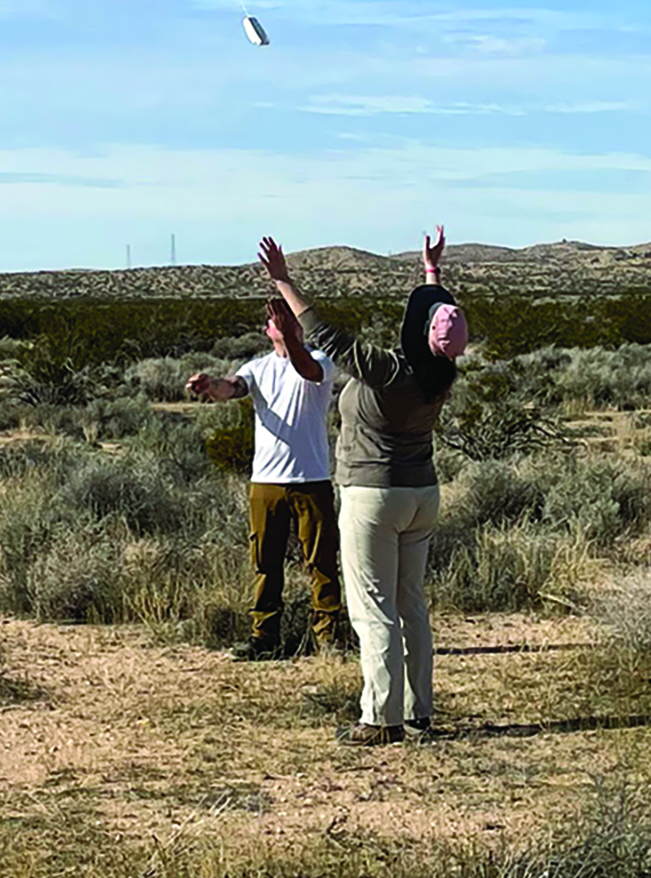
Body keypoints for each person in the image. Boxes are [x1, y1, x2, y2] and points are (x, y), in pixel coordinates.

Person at [254, 226, 466, 743]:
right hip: (422, 494)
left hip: (374, 497)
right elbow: (441, 324)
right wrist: (431, 272)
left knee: (373, 609)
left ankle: (380, 718)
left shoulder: (388, 370)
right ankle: (419, 714)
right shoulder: (441, 372)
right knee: (410, 604)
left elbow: (324, 334)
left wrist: (283, 280)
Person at [183, 296, 349, 664]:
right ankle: (265, 636)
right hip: (267, 481)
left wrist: (292, 335)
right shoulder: (257, 368)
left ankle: (327, 639)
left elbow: (305, 369)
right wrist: (211, 386)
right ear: (266, 331)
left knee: (320, 561)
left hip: (312, 478)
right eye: (274, 319)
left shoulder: (319, 361)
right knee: (265, 560)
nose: (278, 321)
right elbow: (234, 387)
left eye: (285, 317)